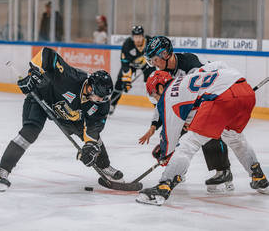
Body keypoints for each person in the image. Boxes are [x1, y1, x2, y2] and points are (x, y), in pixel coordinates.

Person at [0, 47, 124, 192]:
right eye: (100, 96)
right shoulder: (72, 77)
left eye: (105, 98)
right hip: (41, 99)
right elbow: (47, 54)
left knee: (95, 141)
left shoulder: (101, 104)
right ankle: (1, 172)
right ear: (90, 88)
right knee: (29, 132)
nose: (102, 100)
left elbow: (93, 127)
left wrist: (90, 146)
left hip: (68, 115)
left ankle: (105, 167)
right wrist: (33, 75)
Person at [136, 68, 269, 206]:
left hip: (222, 98)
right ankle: (258, 176)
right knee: (233, 137)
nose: (157, 100)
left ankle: (163, 187)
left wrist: (164, 155)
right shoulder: (185, 81)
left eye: (154, 95)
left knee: (188, 143)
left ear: (160, 87)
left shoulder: (169, 95)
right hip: (245, 92)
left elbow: (170, 137)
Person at [139, 36, 233, 193]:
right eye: (152, 61)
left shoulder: (190, 63)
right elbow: (163, 105)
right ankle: (178, 172)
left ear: (166, 54)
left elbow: (203, 93)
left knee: (208, 132)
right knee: (162, 149)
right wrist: (154, 126)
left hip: (210, 100)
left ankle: (224, 172)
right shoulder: (161, 74)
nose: (154, 64)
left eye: (155, 59)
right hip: (187, 109)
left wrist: (194, 119)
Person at [109, 25, 156, 115]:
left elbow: (156, 54)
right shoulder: (127, 44)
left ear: (143, 36)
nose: (138, 39)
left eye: (139, 37)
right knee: (120, 82)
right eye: (135, 37)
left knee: (152, 83)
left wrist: (153, 61)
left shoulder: (149, 42)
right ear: (132, 37)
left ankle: (157, 106)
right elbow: (125, 64)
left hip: (147, 64)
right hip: (131, 65)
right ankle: (112, 104)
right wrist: (126, 81)